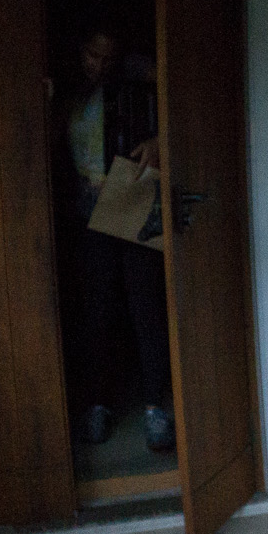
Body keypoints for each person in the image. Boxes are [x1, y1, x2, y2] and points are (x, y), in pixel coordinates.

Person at [50, 25, 175, 452]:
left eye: (107, 57)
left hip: (131, 199)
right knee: (96, 310)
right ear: (79, 50)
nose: (99, 65)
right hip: (85, 212)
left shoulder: (133, 74)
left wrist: (161, 139)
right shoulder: (67, 87)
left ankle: (155, 407)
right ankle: (97, 404)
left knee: (147, 305)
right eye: (92, 55)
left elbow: (179, 88)